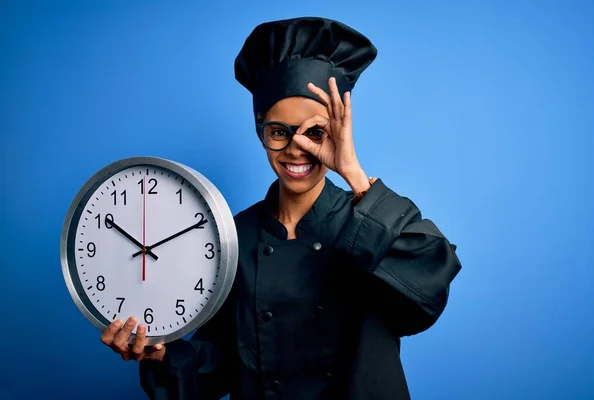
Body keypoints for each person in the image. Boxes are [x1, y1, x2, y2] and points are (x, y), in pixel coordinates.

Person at [100, 16, 462, 400]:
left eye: (315, 133)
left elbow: (429, 278)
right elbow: (217, 362)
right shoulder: (232, 236)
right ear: (261, 131)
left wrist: (352, 171)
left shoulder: (366, 221)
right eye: (279, 131)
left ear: (336, 135)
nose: (296, 148)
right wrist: (159, 354)